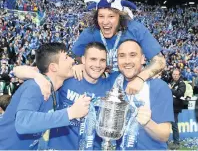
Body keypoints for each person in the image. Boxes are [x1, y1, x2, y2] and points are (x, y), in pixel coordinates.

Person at [15, 40, 174, 150]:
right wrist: (37, 76)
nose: (97, 65)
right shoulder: (68, 78)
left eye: (102, 60)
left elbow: (141, 68)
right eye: (92, 59)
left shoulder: (112, 84)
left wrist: (143, 76)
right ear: (82, 60)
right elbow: (19, 71)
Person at [72, 0, 166, 95]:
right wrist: (81, 64)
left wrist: (140, 78)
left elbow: (160, 61)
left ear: (120, 17)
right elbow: (75, 55)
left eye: (111, 16)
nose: (105, 22)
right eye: (101, 16)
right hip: (101, 88)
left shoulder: (135, 30)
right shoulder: (90, 32)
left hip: (131, 87)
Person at [0, 43, 91, 150]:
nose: (72, 60)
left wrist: (82, 66)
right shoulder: (35, 87)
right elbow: (22, 123)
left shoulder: (55, 89)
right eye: (66, 58)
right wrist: (70, 113)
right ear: (53, 67)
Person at [109, 40, 174, 150]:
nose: (127, 61)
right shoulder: (113, 82)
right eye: (122, 56)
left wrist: (147, 123)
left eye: (133, 55)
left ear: (143, 58)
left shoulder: (159, 86)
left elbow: (164, 135)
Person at [168, 69, 186, 150]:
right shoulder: (172, 83)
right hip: (169, 106)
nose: (175, 76)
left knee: (174, 125)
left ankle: (176, 143)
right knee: (168, 125)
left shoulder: (182, 84)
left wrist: (170, 89)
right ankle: (168, 141)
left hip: (175, 107)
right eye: (173, 74)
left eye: (176, 74)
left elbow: (180, 94)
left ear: (179, 75)